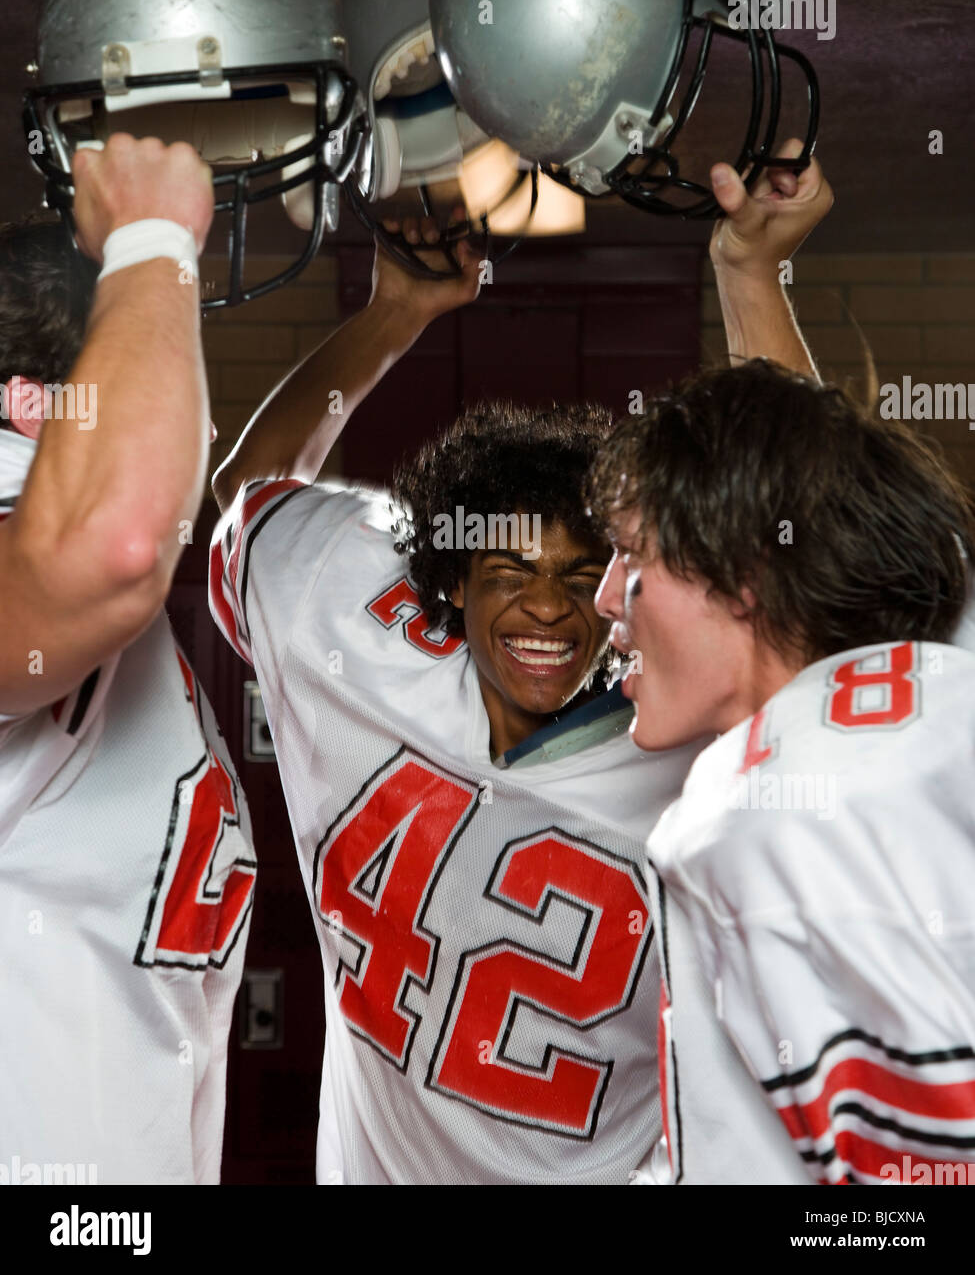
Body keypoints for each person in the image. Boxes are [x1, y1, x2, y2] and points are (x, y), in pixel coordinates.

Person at [208, 149, 832, 1183]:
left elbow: (818, 560)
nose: (549, 604)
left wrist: (753, 279)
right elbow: (255, 493)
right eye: (510, 569)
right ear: (448, 579)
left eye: (583, 572)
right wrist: (390, 316)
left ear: (624, 586)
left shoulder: (692, 726)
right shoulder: (350, 613)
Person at [589, 355, 975, 1185]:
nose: (606, 598)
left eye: (631, 555)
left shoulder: (764, 803)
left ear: (744, 576)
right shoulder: (934, 689)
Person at [0, 135, 255, 1184]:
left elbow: (221, 495)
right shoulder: (54, 556)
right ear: (34, 405)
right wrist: (151, 244)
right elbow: (120, 539)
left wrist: (389, 319)